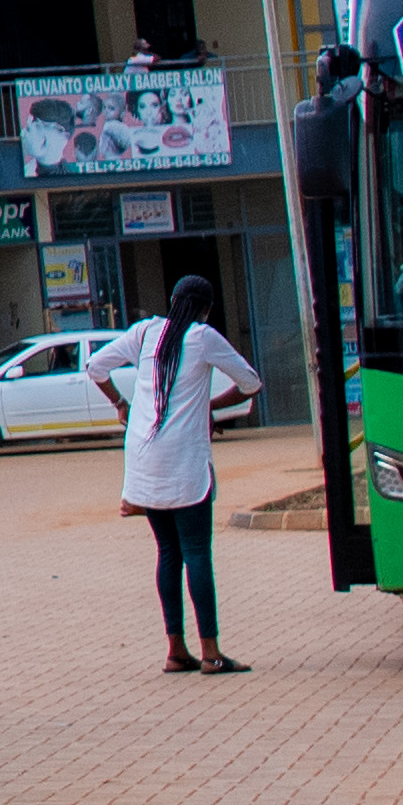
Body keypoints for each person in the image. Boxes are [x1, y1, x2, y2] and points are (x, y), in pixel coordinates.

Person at [111, 263, 253, 675]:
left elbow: (96, 368)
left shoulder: (145, 332)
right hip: (186, 464)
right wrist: (210, 406)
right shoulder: (203, 337)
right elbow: (251, 383)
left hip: (145, 462)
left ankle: (176, 650)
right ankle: (211, 653)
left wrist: (120, 404)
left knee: (168, 553)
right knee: (197, 553)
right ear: (206, 309)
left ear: (173, 303)